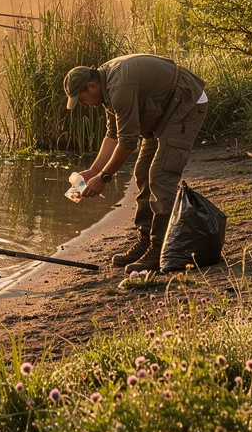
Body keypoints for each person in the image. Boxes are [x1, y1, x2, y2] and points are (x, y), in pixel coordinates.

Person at [63, 54, 208, 272]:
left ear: (91, 86)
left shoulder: (119, 86)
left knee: (160, 175)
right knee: (142, 172)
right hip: (163, 109)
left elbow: (128, 142)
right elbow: (113, 133)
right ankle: (145, 240)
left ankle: (160, 248)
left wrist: (103, 177)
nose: (83, 105)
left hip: (186, 102)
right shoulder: (106, 85)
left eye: (81, 99)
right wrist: (94, 170)